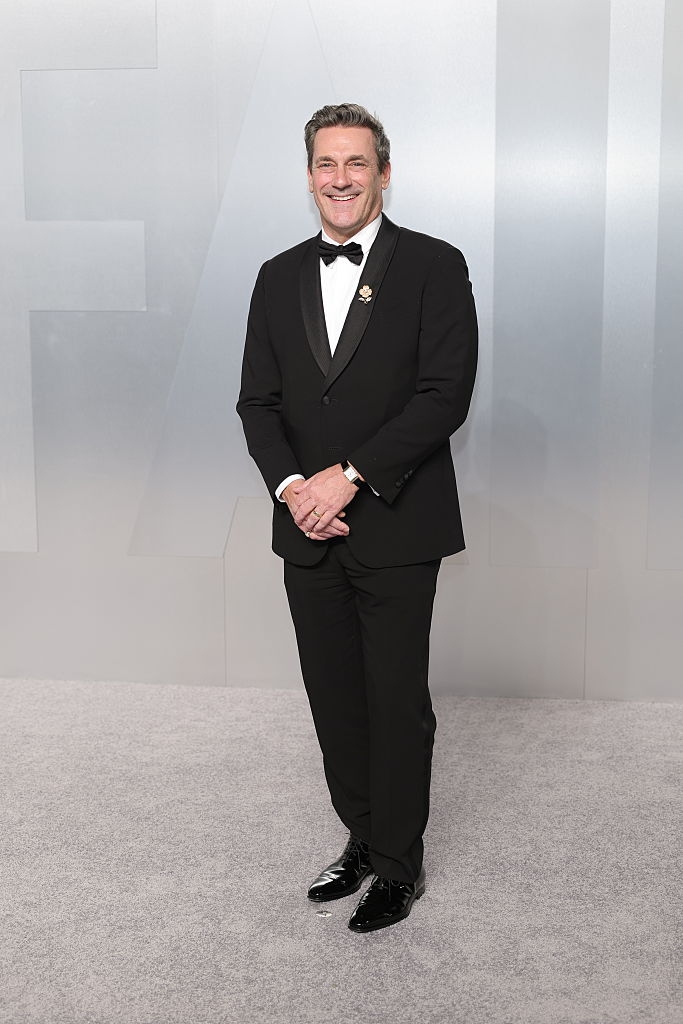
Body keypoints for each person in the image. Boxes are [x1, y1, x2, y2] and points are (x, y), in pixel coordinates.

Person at [237, 103, 477, 933]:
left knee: (395, 700)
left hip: (397, 522)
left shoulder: (435, 265)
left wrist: (347, 479)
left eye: (356, 163)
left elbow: (443, 396)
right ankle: (363, 839)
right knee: (334, 698)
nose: (339, 179)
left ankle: (399, 866)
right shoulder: (275, 275)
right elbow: (257, 403)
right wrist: (293, 490)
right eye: (325, 163)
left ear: (383, 172)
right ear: (309, 173)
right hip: (305, 527)